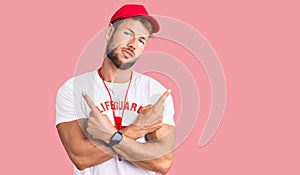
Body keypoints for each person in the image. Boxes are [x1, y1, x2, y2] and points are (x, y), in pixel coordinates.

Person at [56, 4, 176, 175]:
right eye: (128, 33)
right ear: (110, 32)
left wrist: (107, 135)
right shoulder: (74, 89)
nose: (133, 44)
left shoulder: (155, 92)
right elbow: (81, 157)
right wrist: (139, 129)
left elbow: (163, 163)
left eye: (142, 40)